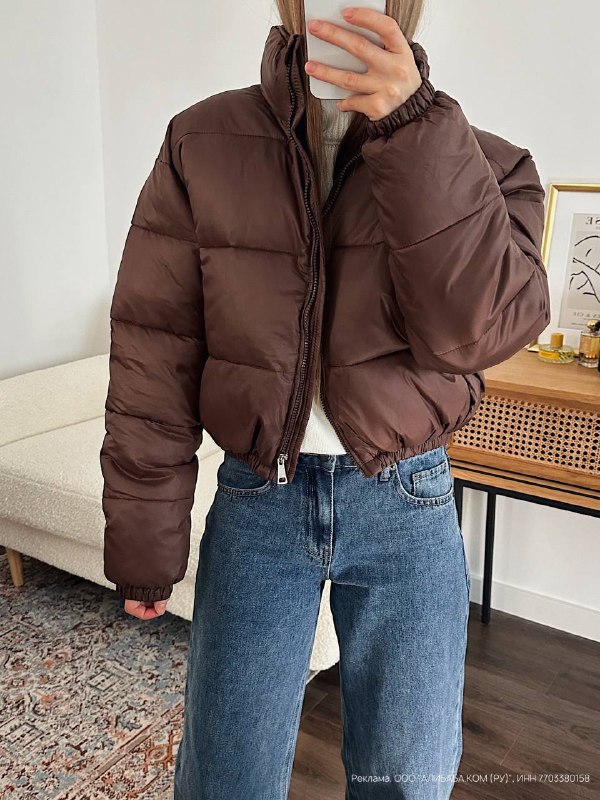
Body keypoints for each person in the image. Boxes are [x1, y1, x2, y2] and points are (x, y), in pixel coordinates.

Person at [99, 2, 551, 797]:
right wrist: (144, 545)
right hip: (257, 500)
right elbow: (155, 352)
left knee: (405, 780)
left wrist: (416, 129)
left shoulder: (488, 166)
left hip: (408, 501)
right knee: (226, 779)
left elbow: (476, 335)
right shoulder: (201, 142)